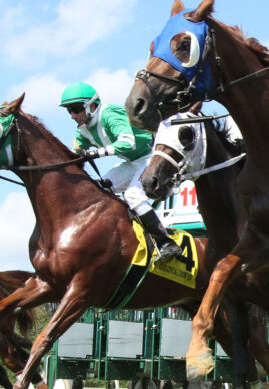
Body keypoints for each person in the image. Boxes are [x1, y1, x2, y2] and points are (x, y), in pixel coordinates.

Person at [60, 81, 182, 264]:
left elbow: (127, 142)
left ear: (91, 106)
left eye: (76, 109)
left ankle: (166, 243)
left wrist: (96, 153)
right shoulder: (83, 130)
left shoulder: (108, 114)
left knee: (133, 194)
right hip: (132, 162)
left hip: (153, 156)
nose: (72, 115)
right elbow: (74, 155)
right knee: (98, 189)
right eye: (69, 110)